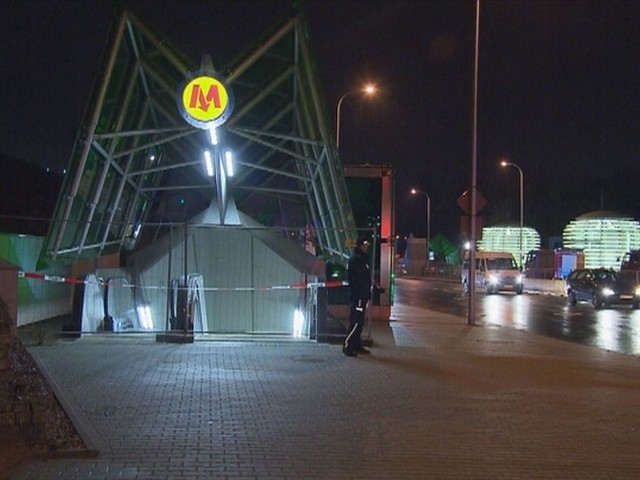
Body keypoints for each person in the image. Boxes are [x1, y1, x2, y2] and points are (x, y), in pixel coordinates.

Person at [343, 236, 372, 357]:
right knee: (356, 321)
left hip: (361, 295)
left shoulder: (361, 259)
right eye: (365, 245)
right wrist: (362, 294)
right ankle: (348, 345)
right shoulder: (356, 260)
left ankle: (356, 344)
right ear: (360, 245)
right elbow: (358, 280)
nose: (367, 247)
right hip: (358, 296)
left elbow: (364, 279)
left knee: (359, 322)